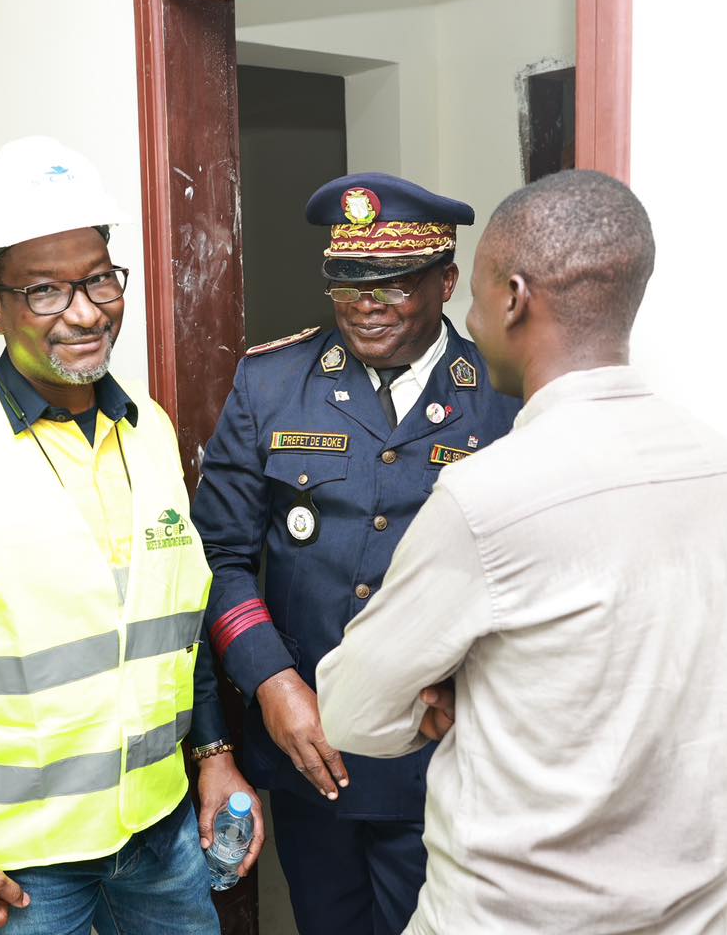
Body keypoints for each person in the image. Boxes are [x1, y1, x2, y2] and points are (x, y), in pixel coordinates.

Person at [317, 170, 727, 933]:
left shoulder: (487, 495)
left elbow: (353, 710)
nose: (468, 312)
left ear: (514, 297)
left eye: (477, 291)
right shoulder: (722, 466)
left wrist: (450, 699)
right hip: (690, 912)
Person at [0, 136, 262, 935]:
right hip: (18, 865)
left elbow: (174, 626)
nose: (85, 312)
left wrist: (214, 759)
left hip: (161, 834)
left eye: (99, 280)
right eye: (45, 291)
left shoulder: (147, 428)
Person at [192, 172, 522, 934]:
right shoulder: (271, 383)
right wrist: (272, 684)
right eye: (347, 281)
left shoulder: (502, 396)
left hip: (443, 750)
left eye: (392, 283)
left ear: (444, 281)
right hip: (312, 742)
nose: (365, 305)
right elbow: (219, 558)